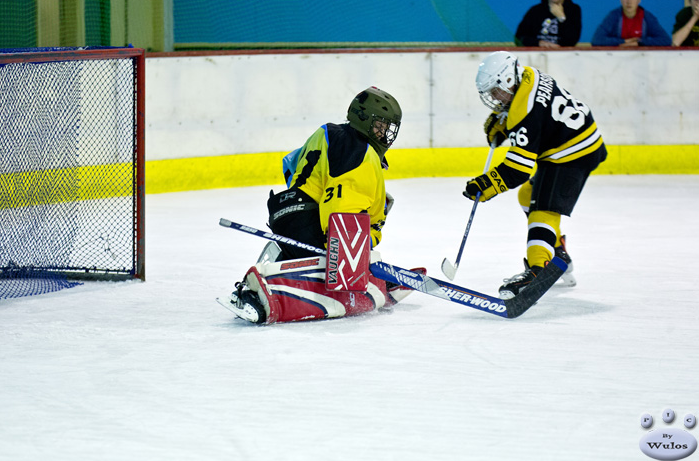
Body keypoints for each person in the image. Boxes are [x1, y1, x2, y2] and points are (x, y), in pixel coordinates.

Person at [219, 87, 421, 324]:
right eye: (380, 126)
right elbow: (342, 205)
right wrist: (346, 255)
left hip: (285, 210)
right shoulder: (360, 151)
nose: (385, 133)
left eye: (388, 129)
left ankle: (272, 269)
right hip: (312, 221)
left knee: (306, 255)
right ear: (363, 118)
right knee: (330, 272)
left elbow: (291, 164)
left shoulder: (329, 132)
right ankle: (259, 296)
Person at [464, 51, 607, 299]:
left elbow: (517, 170)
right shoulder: (529, 75)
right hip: (580, 139)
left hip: (570, 153)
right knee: (528, 195)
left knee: (543, 209)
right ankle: (557, 251)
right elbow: (537, 114)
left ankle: (537, 270)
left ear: (508, 81)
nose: (494, 98)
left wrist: (485, 185)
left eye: (496, 91)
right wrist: (504, 119)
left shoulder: (523, 113)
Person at [591, 0, 671, 46]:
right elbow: (596, 40)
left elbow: (666, 40)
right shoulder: (613, 16)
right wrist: (624, 41)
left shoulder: (647, 17)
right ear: (620, 0)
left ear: (639, 0)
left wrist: (639, 43)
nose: (629, 2)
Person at [515, 0, 582, 48]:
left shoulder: (574, 10)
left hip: (563, 55)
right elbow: (519, 38)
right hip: (537, 54)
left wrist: (561, 17)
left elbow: (572, 40)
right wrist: (539, 43)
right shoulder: (535, 11)